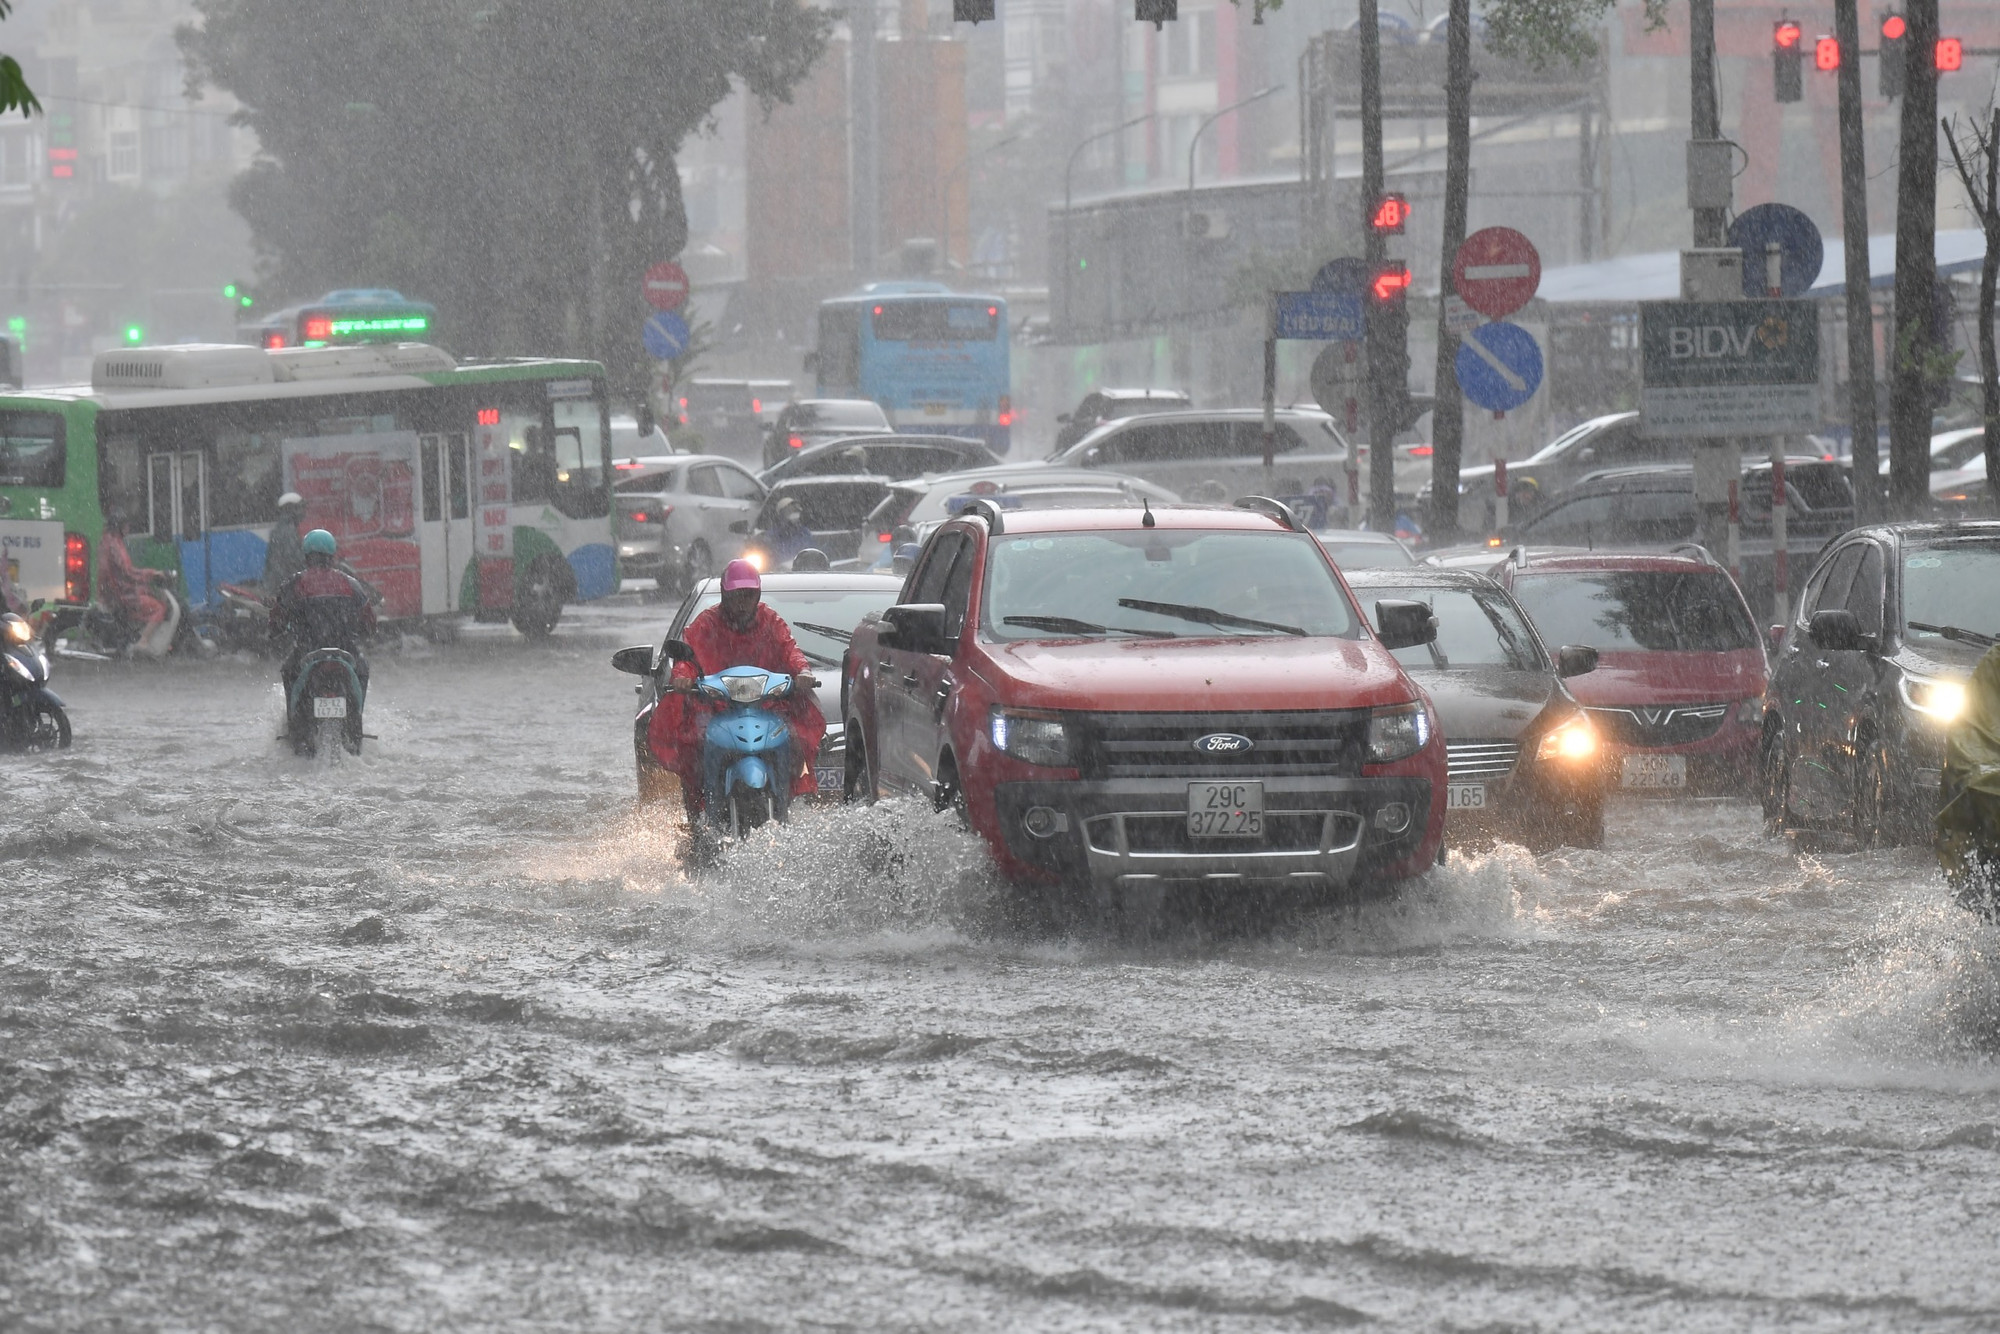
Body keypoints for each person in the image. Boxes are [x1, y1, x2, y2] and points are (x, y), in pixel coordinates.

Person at [646, 558, 825, 823]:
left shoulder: (771, 621)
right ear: (724, 596)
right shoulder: (705, 623)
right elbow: (688, 657)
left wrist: (803, 673)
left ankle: (788, 801)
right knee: (692, 746)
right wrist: (683, 677)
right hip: (715, 708)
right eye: (736, 596)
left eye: (748, 596)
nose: (742, 603)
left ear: (757, 595)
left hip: (766, 707)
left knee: (795, 740)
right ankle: (699, 812)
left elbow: (790, 650)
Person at [269, 528, 376, 701]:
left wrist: (275, 631)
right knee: (362, 669)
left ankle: (293, 721)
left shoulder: (294, 584)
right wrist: (366, 631)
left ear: (306, 556)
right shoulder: (350, 584)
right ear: (332, 555)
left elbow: (277, 618)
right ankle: (357, 715)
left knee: (288, 671)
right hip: (345, 651)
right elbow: (368, 619)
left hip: (306, 651)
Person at [97, 508, 178, 658]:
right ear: (119, 527)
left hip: (115, 592)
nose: (128, 528)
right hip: (123, 594)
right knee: (159, 608)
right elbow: (128, 572)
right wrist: (153, 573)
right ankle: (143, 642)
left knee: (151, 597)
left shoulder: (109, 541)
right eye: (126, 525)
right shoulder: (114, 545)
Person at [261, 492, 308, 599]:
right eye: (300, 508)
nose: (303, 513)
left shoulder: (279, 529)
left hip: (275, 584)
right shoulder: (288, 531)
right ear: (291, 510)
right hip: (284, 585)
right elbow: (294, 558)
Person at [759, 495, 819, 569]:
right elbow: (767, 559)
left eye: (796, 510)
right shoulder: (771, 535)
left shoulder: (804, 533)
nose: (794, 513)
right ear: (781, 514)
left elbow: (811, 554)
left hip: (801, 573)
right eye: (789, 510)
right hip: (779, 574)